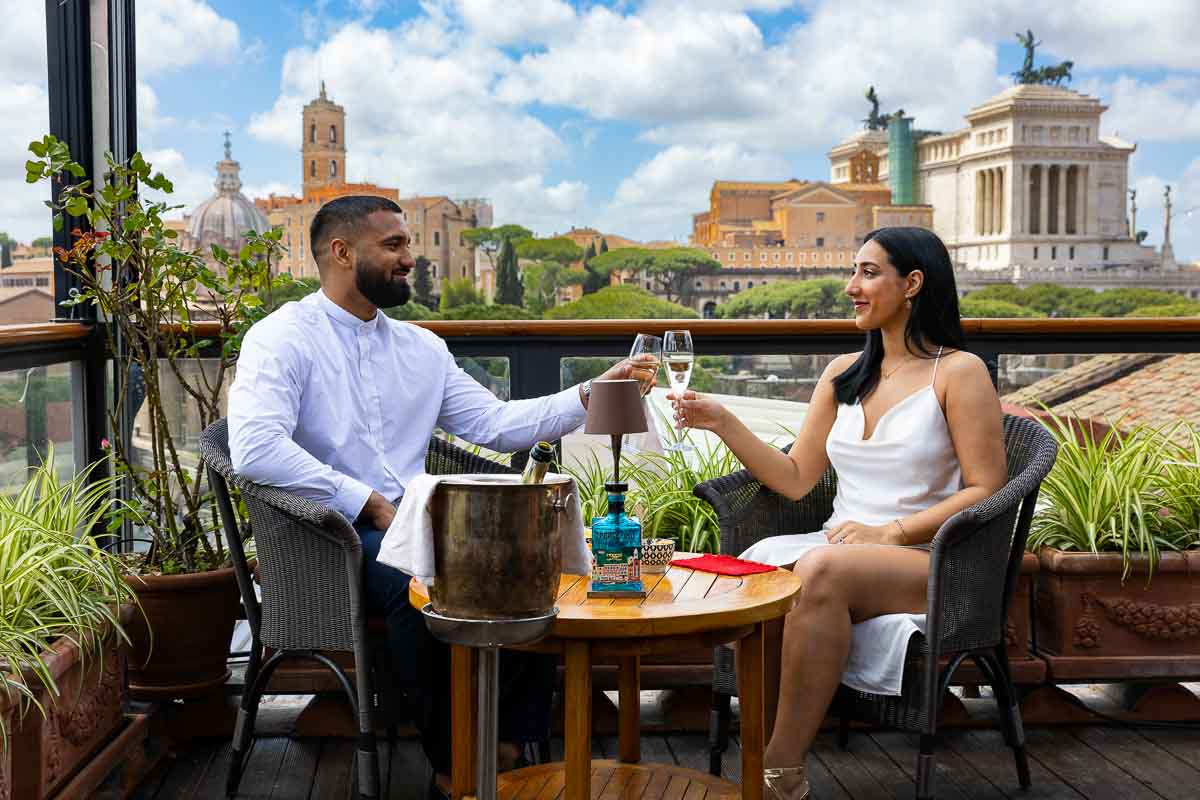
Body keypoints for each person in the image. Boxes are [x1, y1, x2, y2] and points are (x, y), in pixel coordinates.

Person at [227, 195, 653, 790]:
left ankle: (509, 747)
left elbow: (495, 425)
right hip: (328, 537)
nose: (410, 256)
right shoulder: (280, 339)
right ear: (343, 253)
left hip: (415, 523)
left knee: (530, 560)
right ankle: (455, 763)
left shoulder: (421, 348)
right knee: (420, 583)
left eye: (408, 242)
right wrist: (367, 502)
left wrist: (590, 392)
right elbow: (255, 449)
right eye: (394, 245)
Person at [669, 227, 1006, 800]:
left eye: (868, 273)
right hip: (844, 548)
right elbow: (796, 479)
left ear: (913, 284)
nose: (851, 286)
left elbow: (987, 487)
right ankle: (761, 760)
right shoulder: (843, 373)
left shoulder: (959, 373)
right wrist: (722, 421)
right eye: (853, 271)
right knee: (768, 580)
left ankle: (778, 770)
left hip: (931, 557)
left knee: (820, 569)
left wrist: (890, 532)